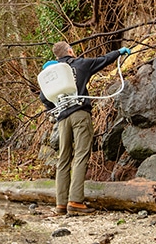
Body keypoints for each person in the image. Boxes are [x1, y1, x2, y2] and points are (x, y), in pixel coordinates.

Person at [40, 41, 130, 216]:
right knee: (81, 155)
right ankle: (75, 201)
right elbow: (103, 60)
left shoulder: (52, 75)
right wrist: (119, 52)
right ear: (70, 51)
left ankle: (61, 204)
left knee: (63, 159)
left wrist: (54, 108)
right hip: (80, 114)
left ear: (57, 57)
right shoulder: (80, 64)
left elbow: (44, 98)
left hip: (62, 119)